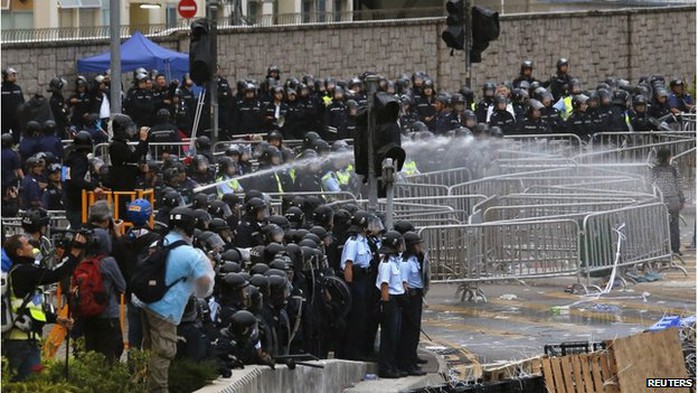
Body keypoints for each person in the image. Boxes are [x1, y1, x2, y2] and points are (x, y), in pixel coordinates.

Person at [135, 206, 214, 393]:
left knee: (149, 351)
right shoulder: (191, 254)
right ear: (190, 227)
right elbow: (205, 288)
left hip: (144, 303)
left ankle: (141, 387)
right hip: (165, 309)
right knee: (164, 353)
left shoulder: (158, 243)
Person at [2, 233, 84, 381]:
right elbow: (55, 274)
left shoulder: (22, 271)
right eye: (27, 244)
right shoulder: (23, 272)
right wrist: (73, 254)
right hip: (22, 343)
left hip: (23, 340)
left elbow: (32, 308)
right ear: (19, 252)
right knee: (30, 383)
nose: (31, 246)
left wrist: (56, 318)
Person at [77, 225, 126, 362]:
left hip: (87, 315)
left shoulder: (83, 261)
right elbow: (122, 287)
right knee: (111, 353)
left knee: (92, 353)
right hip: (108, 315)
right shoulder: (108, 262)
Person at [339, 211, 373, 360]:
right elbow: (348, 266)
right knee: (356, 319)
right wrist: (350, 288)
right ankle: (354, 352)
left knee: (363, 317)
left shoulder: (364, 241)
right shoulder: (352, 242)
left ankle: (361, 350)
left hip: (365, 280)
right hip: (356, 281)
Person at [397, 231, 429, 376]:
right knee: (408, 333)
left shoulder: (415, 259)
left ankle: (412, 360)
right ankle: (407, 364)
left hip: (417, 297)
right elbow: (404, 283)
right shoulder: (405, 263)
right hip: (410, 298)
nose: (419, 247)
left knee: (414, 332)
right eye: (417, 245)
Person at [375, 230, 405, 379]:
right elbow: (384, 286)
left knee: (395, 336)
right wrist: (386, 306)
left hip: (397, 301)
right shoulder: (386, 264)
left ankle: (393, 365)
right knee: (389, 337)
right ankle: (386, 368)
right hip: (390, 302)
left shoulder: (395, 261)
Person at [108, 114, 149, 217]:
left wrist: (139, 170)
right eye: (128, 128)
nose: (131, 131)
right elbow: (132, 158)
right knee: (124, 213)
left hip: (128, 184)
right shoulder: (116, 145)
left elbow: (129, 164)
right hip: (121, 186)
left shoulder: (123, 144)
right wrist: (142, 141)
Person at [64, 131, 103, 229]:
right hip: (78, 203)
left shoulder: (68, 159)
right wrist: (93, 187)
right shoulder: (80, 160)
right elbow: (76, 180)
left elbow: (64, 178)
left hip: (69, 200)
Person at [650, 149, 685, 255]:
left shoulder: (654, 170)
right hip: (673, 200)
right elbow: (679, 185)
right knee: (674, 225)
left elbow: (650, 184)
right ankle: (675, 249)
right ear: (668, 157)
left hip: (660, 201)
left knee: (661, 225)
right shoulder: (673, 170)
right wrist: (682, 200)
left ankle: (663, 248)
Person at [1, 67, 25, 142]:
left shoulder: (17, 88)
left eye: (14, 75)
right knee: (4, 140)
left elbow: (22, 102)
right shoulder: (1, 89)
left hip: (16, 121)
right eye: (12, 75)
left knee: (16, 140)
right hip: (4, 121)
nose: (14, 77)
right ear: (6, 76)